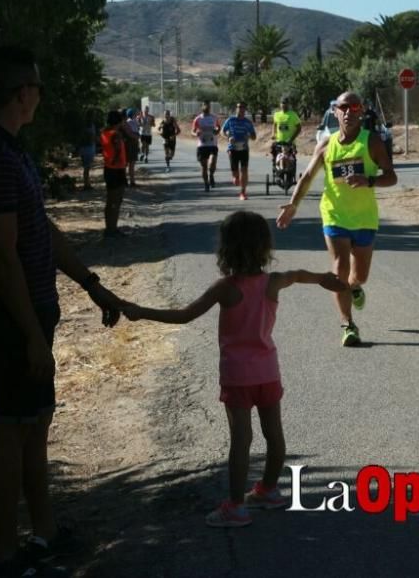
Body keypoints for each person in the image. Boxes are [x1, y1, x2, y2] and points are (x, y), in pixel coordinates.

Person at [0, 45, 126, 577]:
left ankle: (44, 534)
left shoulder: (11, 151)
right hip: (13, 318)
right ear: (20, 93)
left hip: (33, 313)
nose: (40, 95)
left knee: (34, 423)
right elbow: (2, 256)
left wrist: (91, 285)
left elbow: (40, 231)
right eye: (37, 86)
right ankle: (3, 555)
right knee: (10, 427)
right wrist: (30, 333)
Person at [121, 211, 345, 527]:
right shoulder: (273, 281)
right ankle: (268, 490)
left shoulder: (225, 288)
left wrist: (141, 311)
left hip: (238, 375)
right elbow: (296, 274)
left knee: (241, 440)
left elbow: (185, 316)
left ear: (226, 248)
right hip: (268, 371)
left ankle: (236, 506)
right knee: (274, 434)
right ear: (264, 247)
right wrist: (323, 278)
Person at [276, 91, 396, 347]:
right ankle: (347, 324)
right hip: (334, 215)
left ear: (361, 111)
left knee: (359, 276)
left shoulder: (371, 141)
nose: (349, 112)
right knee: (340, 268)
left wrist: (369, 180)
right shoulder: (327, 144)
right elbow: (307, 176)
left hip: (364, 218)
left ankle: (354, 287)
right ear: (335, 112)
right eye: (344, 107)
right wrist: (293, 204)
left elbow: (391, 176)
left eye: (355, 107)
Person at [100, 109, 128, 237]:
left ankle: (109, 228)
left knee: (110, 200)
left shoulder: (104, 132)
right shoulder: (116, 134)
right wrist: (117, 160)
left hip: (108, 168)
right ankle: (113, 229)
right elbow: (117, 149)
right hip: (116, 169)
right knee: (116, 201)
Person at [221, 101, 257, 200]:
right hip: (232, 148)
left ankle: (243, 193)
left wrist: (249, 135)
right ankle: (235, 177)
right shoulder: (230, 120)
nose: (240, 109)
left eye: (242, 107)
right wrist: (228, 137)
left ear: (245, 109)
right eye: (238, 107)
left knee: (244, 170)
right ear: (236, 109)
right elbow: (222, 131)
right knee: (235, 172)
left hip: (244, 148)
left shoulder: (247, 122)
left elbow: (254, 136)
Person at [192, 101, 220, 191]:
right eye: (205, 105)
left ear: (210, 107)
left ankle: (211, 175)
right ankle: (206, 183)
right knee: (204, 167)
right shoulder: (198, 119)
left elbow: (218, 127)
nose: (206, 106)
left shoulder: (214, 118)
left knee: (212, 163)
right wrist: (196, 133)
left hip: (212, 144)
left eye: (208, 105)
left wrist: (217, 130)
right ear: (202, 107)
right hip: (202, 145)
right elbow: (192, 131)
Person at [74, 109, 96, 191]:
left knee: (86, 167)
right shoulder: (91, 125)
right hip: (89, 147)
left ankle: (87, 183)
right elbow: (93, 136)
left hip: (83, 147)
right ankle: (87, 184)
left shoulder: (83, 125)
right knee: (87, 167)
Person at [123, 107, 140, 187]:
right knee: (131, 164)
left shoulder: (127, 122)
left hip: (129, 144)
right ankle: (131, 181)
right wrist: (137, 137)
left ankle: (126, 180)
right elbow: (134, 133)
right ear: (132, 114)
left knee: (127, 164)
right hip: (132, 144)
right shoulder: (132, 122)